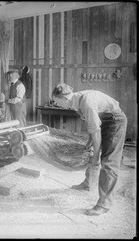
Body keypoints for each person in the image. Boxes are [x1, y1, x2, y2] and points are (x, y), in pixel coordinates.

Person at [52, 83, 127, 216]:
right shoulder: (76, 100)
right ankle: (88, 183)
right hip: (104, 120)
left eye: (57, 102)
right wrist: (90, 144)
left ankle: (104, 204)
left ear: (65, 99)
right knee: (90, 150)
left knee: (108, 161)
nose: (57, 105)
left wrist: (96, 157)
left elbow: (96, 131)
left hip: (115, 121)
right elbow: (92, 127)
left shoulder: (86, 102)